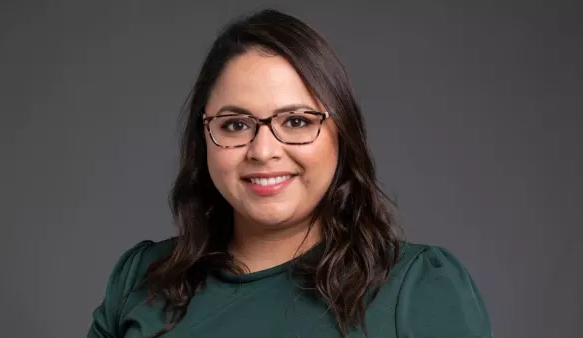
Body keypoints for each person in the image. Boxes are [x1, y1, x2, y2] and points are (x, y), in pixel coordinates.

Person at [87, 8, 493, 338]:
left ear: (341, 133)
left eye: (296, 122)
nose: (264, 151)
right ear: (204, 138)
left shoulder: (417, 288)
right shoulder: (142, 279)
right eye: (235, 124)